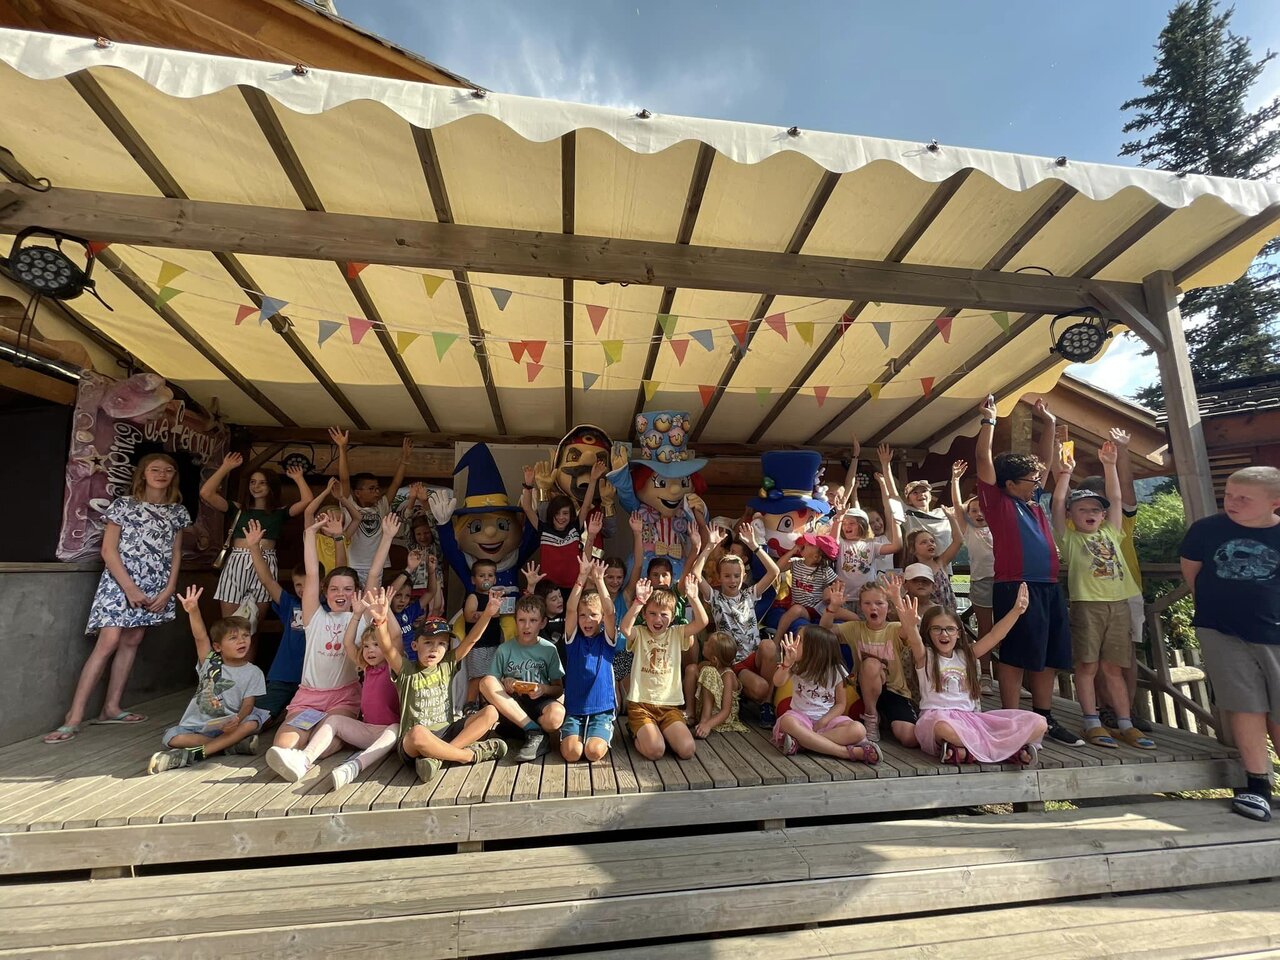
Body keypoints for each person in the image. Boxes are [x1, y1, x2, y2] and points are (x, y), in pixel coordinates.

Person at [45, 453, 192, 745]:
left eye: (168, 470)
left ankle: (111, 708)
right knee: (108, 642)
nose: (161, 474)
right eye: (155, 469)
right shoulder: (123, 505)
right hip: (120, 581)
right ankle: (73, 718)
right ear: (143, 473)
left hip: (155, 583)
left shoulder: (178, 511)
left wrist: (168, 589)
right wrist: (130, 588)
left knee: (132, 640)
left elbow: (175, 553)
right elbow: (108, 551)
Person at [975, 395, 1081, 747]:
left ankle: (1044, 716)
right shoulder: (998, 501)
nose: (1038, 483)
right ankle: (1011, 717)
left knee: (1047, 653)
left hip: (1048, 586)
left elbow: (1047, 461)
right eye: (1031, 479)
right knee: (1016, 654)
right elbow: (982, 460)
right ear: (1009, 483)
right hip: (1015, 586)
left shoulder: (1034, 503)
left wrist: (1048, 423)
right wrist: (988, 421)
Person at [1180, 465, 1280, 823]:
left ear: (1274, 502)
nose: (1232, 502)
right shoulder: (1207, 530)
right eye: (1229, 495)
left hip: (1275, 633)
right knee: (1245, 706)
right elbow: (1191, 571)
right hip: (1222, 631)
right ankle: (1257, 784)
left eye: (1243, 498)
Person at [1051, 440, 1155, 751]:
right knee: (1087, 665)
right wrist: (1065, 475)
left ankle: (1125, 722)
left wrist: (1110, 465)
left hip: (1119, 604)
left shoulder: (1112, 531)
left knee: (1114, 667)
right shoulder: (1068, 537)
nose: (1091, 513)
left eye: (1096, 509)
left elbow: (1116, 497)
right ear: (1072, 514)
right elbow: (1057, 505)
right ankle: (1092, 721)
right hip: (1087, 606)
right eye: (1083, 509)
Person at [267, 512, 396, 759]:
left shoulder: (360, 618)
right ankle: (297, 755)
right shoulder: (314, 616)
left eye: (348, 589)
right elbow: (312, 573)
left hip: (344, 697)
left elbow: (372, 575)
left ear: (356, 593)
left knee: (327, 739)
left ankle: (306, 758)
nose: (341, 593)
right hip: (309, 697)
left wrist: (387, 537)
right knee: (284, 745)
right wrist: (310, 534)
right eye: (334, 588)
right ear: (325, 592)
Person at [264, 586, 402, 789]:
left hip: (388, 734)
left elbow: (396, 636)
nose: (370, 650)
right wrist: (355, 616)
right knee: (335, 720)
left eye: (376, 645)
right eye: (366, 646)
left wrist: (385, 610)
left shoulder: (393, 665)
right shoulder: (365, 666)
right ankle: (304, 760)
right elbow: (348, 643)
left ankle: (353, 767)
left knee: (395, 729)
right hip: (366, 730)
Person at [896, 578, 1046, 765]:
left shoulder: (966, 655)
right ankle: (1008, 751)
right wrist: (910, 625)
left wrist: (1016, 611)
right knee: (944, 729)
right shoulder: (925, 656)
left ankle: (963, 751)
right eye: (937, 629)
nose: (944, 634)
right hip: (938, 718)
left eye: (950, 629)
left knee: (1039, 723)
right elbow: (914, 639)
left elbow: (994, 635)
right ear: (928, 632)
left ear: (959, 632)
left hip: (971, 721)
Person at [376, 595, 507, 784]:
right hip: (416, 743)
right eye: (428, 642)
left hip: (447, 731)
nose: (434, 649)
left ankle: (437, 759)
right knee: (418, 733)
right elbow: (387, 649)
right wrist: (380, 622)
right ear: (415, 645)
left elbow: (470, 641)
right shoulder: (406, 669)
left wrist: (487, 614)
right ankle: (468, 755)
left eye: (442, 644)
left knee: (491, 712)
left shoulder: (447, 664)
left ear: (447, 648)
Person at [147, 585, 268, 773]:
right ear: (218, 647)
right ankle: (229, 746)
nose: (242, 641)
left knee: (252, 722)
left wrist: (237, 719)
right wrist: (193, 611)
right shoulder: (210, 662)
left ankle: (194, 755)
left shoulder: (253, 672)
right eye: (233, 638)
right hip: (202, 725)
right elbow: (200, 637)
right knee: (171, 738)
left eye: (245, 636)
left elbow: (248, 705)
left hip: (233, 724)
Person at [200, 451, 314, 618]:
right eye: (253, 482)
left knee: (254, 626)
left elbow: (307, 500)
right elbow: (206, 493)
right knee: (230, 623)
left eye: (262, 483)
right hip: (238, 560)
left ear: (272, 487)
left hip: (266, 561)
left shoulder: (278, 513)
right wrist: (226, 467)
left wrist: (298, 478)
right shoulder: (238, 509)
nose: (256, 486)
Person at [688, 523, 780, 717]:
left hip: (755, 657)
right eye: (727, 576)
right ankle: (747, 694)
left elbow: (774, 572)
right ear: (719, 578)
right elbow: (696, 574)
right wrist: (709, 547)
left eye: (736, 575)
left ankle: (767, 705)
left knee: (769, 646)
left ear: (743, 575)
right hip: (734, 663)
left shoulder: (749, 594)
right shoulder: (715, 598)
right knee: (760, 687)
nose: (732, 580)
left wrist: (755, 546)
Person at [621, 575, 708, 761]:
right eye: (652, 613)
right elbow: (625, 629)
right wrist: (638, 602)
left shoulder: (676, 633)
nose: (657, 619)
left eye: (664, 614)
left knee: (687, 750)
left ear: (673, 616)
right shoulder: (641, 633)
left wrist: (693, 597)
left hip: (669, 707)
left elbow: (702, 622)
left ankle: (658, 732)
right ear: (645, 615)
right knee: (655, 751)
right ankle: (637, 732)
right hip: (641, 705)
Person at [822, 581, 918, 747]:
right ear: (860, 607)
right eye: (867, 603)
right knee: (871, 664)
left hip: (894, 690)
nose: (874, 608)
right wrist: (833, 608)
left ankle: (884, 717)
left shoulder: (894, 629)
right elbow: (823, 633)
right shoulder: (854, 628)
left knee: (909, 738)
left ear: (888, 607)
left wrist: (897, 599)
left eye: (880, 603)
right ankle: (871, 716)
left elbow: (909, 629)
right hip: (862, 689)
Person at [479, 593, 566, 762]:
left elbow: (558, 689)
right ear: (515, 621)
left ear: (542, 623)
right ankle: (534, 731)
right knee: (486, 681)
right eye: (521, 620)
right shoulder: (505, 649)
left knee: (556, 717)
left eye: (533, 621)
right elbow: (490, 686)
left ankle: (522, 731)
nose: (527, 626)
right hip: (513, 704)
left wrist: (543, 689)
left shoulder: (549, 649)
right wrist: (505, 684)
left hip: (539, 703)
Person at [772, 626, 877, 764]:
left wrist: (823, 721)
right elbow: (777, 682)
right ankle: (845, 753)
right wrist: (786, 664)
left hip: (827, 721)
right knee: (787, 722)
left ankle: (804, 743)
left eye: (800, 640)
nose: (795, 644)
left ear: (815, 649)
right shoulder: (795, 665)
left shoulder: (837, 670)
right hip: (800, 718)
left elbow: (841, 704)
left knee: (859, 730)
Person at [331, 428, 413, 586]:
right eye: (371, 489)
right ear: (358, 492)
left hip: (376, 566)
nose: (376, 492)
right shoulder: (349, 503)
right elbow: (344, 479)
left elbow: (395, 484)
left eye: (377, 488)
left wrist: (405, 460)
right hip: (352, 564)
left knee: (371, 605)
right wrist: (342, 448)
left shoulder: (381, 506)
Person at [560, 557, 619, 762]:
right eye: (583, 615)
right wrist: (581, 577)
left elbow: (610, 612)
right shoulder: (573, 640)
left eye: (593, 615)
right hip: (575, 708)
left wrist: (600, 580)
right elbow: (569, 609)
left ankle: (601, 732)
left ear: (601, 618)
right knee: (572, 753)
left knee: (593, 752)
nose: (587, 620)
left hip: (601, 708)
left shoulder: (606, 641)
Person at [951, 460, 996, 692]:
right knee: (985, 630)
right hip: (981, 582)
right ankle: (986, 674)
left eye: (983, 509)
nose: (979, 514)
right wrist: (955, 480)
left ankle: (1010, 674)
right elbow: (957, 507)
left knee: (1009, 629)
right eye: (974, 511)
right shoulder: (970, 531)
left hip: (1005, 581)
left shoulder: (1000, 528)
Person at [773, 533, 839, 637]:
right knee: (796, 609)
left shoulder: (824, 571)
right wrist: (793, 551)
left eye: (811, 545)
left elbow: (839, 582)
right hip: (799, 608)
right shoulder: (796, 564)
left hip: (815, 610)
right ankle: (777, 639)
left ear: (816, 556)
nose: (806, 543)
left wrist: (830, 590)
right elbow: (777, 568)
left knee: (851, 616)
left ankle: (776, 640)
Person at [902, 507, 963, 610]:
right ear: (913, 549)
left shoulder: (940, 562)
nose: (930, 544)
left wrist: (952, 519)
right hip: (928, 617)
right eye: (924, 542)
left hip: (949, 614)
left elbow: (958, 541)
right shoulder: (912, 571)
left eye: (932, 541)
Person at [692, 630, 749, 737]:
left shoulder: (727, 675)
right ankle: (691, 714)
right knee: (692, 669)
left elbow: (726, 711)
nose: (704, 642)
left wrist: (708, 725)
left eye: (708, 642)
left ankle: (704, 721)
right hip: (705, 709)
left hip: (720, 718)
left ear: (714, 659)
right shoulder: (707, 665)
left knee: (709, 671)